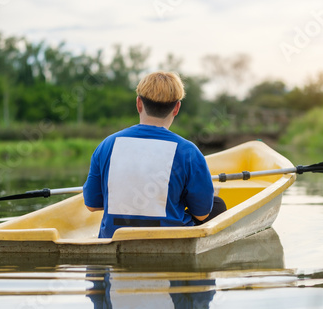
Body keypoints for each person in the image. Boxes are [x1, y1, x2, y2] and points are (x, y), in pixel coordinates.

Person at [83, 71, 226, 238]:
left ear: (138, 103)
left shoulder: (107, 145)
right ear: (177, 108)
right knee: (217, 205)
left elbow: (92, 205)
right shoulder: (188, 151)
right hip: (170, 239)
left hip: (113, 237)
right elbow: (202, 214)